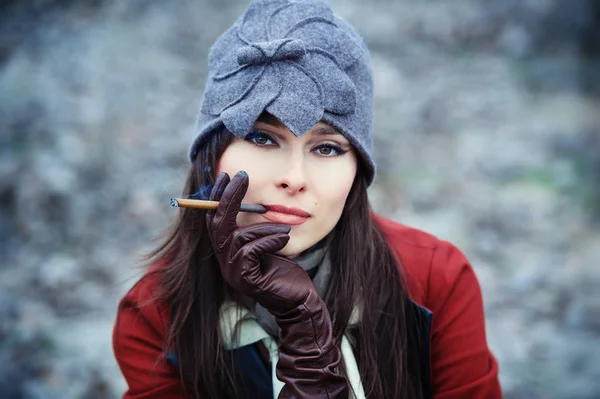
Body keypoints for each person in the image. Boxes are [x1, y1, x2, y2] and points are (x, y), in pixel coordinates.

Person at [112, 0, 502, 398]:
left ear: (358, 172)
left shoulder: (436, 279)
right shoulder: (154, 314)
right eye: (263, 138)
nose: (294, 179)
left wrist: (308, 337)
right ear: (212, 157)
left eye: (327, 148)